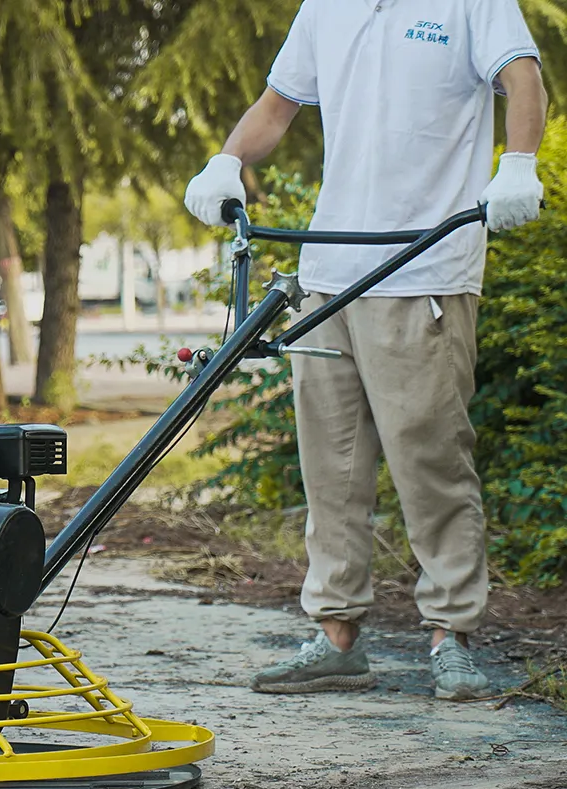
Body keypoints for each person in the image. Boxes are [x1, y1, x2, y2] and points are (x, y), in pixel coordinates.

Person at [184, 0, 548, 700]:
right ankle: (335, 635)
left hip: (423, 270)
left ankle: (452, 637)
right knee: (332, 468)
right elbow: (277, 104)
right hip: (329, 277)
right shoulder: (326, 7)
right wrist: (224, 161)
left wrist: (519, 164)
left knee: (430, 458)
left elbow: (523, 76)